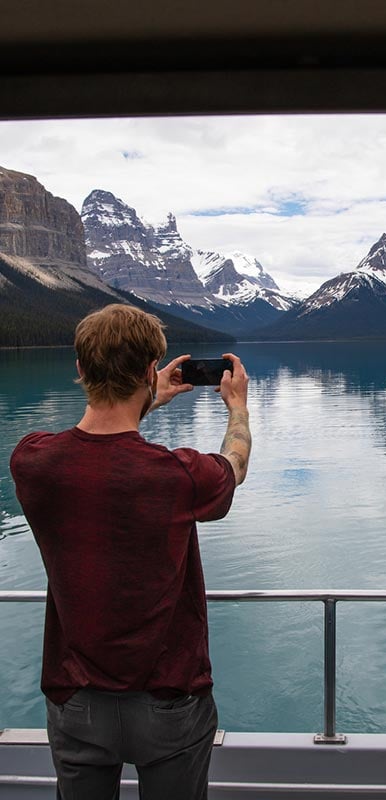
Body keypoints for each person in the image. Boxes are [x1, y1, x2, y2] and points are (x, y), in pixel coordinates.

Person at [9, 303, 252, 800]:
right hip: (170, 701)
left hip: (75, 698)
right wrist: (239, 408)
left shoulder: (32, 461)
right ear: (148, 371)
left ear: (80, 369)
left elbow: (92, 443)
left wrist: (145, 399)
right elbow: (235, 464)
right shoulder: (181, 474)